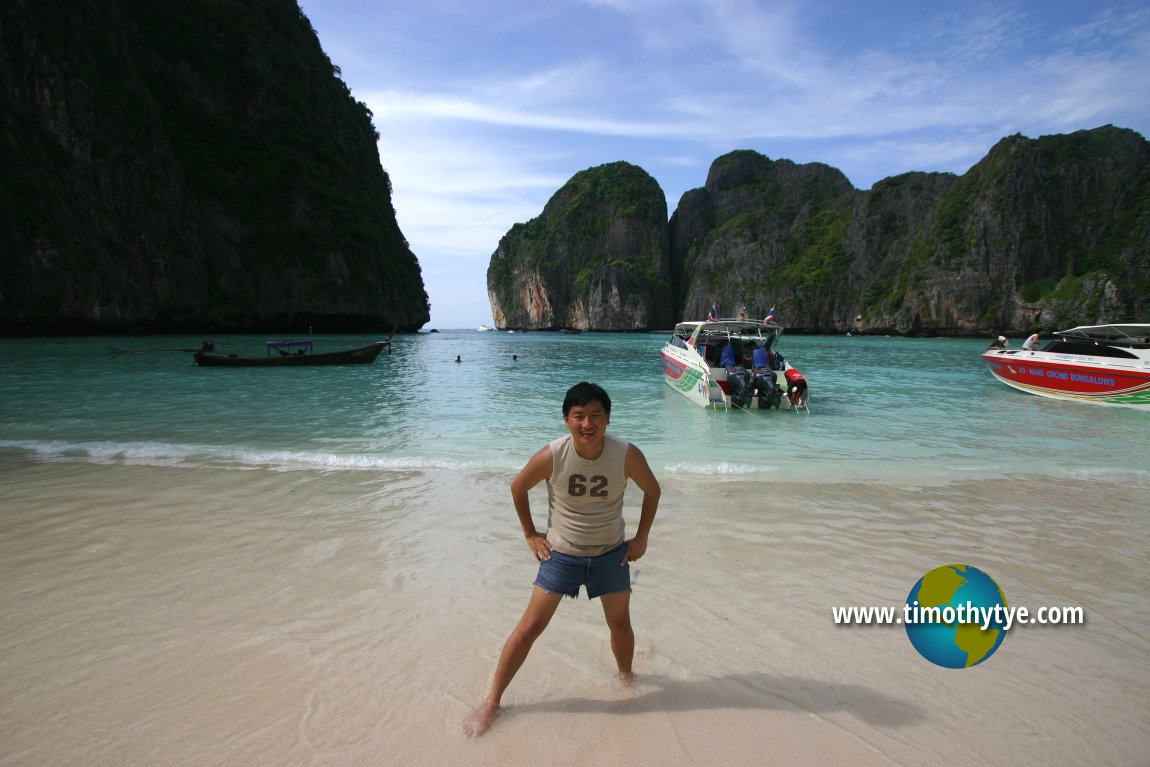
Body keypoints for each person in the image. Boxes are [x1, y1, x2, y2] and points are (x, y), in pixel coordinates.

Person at [463, 382, 661, 737]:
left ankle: (626, 677)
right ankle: (492, 701)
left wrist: (642, 537)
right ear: (566, 420)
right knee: (528, 629)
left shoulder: (626, 454)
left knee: (620, 625)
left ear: (608, 418)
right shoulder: (553, 455)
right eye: (579, 416)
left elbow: (653, 489)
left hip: (610, 555)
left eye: (596, 415)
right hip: (561, 555)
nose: (588, 424)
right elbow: (518, 487)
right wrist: (530, 534)